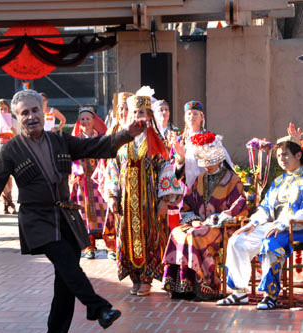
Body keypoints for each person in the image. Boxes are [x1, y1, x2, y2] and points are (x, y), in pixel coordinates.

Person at [0, 89, 146, 333]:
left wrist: (127, 134)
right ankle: (98, 308)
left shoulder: (60, 140)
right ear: (17, 117)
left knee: (65, 284)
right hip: (37, 220)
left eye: (35, 110)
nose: (31, 116)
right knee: (67, 264)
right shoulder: (12, 150)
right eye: (24, 113)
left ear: (43, 112)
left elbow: (94, 145)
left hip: (66, 218)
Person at [217, 135, 303, 310]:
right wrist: (253, 223)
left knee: (269, 243)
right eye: (278, 156)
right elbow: (265, 207)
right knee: (236, 240)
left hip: (296, 227)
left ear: (298, 155)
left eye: (285, 155)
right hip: (272, 226)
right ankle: (239, 291)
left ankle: (270, 295)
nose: (281, 160)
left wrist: (283, 224)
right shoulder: (279, 181)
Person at [162, 132, 247, 301]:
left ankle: (207, 288)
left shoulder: (233, 180)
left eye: (211, 162)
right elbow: (187, 204)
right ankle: (182, 287)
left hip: (222, 228)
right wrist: (193, 220)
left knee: (197, 236)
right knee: (177, 233)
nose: (206, 166)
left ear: (219, 159)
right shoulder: (199, 179)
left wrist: (215, 220)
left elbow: (239, 205)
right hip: (198, 224)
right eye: (204, 163)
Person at [105, 86, 168, 296]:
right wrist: (113, 195)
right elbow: (112, 168)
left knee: (149, 236)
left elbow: (166, 171)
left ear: (149, 116)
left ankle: (147, 278)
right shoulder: (121, 141)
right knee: (127, 237)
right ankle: (134, 276)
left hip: (148, 203)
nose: (137, 116)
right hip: (126, 203)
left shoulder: (157, 143)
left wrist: (164, 200)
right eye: (134, 112)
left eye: (141, 112)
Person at [69, 106, 115, 260]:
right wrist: (76, 168)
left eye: (88, 119)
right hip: (82, 182)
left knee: (105, 212)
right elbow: (71, 158)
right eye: (82, 119)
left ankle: (111, 246)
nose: (85, 122)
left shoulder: (101, 138)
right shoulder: (75, 139)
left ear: (94, 120)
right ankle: (89, 246)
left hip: (99, 181)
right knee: (85, 213)